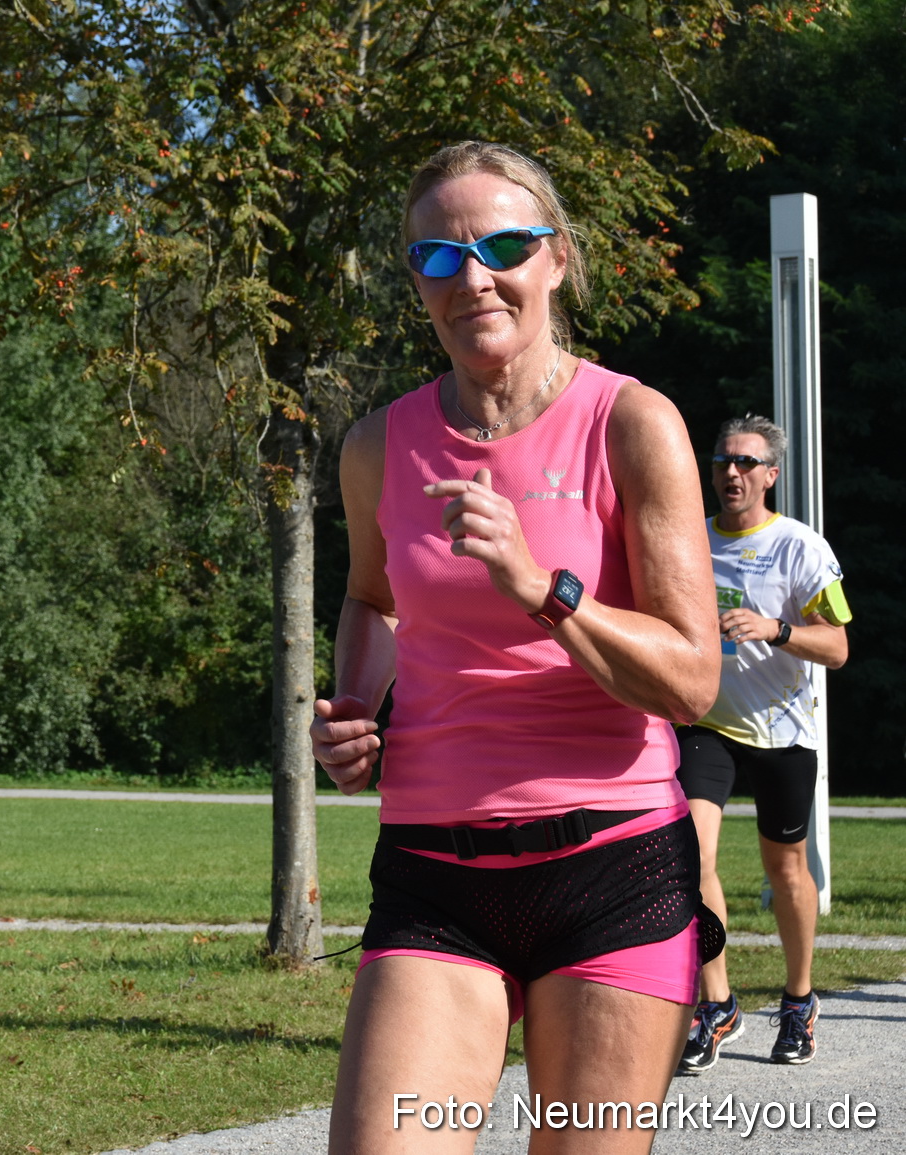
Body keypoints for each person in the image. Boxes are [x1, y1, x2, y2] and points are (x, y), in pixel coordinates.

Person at [310, 141, 723, 1154]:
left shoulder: (631, 423)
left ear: (557, 259)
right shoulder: (377, 446)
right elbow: (372, 600)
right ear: (416, 284)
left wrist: (543, 590)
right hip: (432, 872)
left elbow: (690, 679)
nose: (474, 278)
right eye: (439, 259)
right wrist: (355, 713)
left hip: (611, 870)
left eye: (501, 245)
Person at [674, 414, 851, 1074]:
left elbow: (836, 647)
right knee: (691, 856)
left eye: (747, 462)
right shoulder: (690, 540)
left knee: (786, 870)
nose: (732, 472)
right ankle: (717, 1003)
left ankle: (800, 997)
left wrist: (775, 629)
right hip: (706, 720)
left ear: (771, 475)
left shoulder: (800, 547)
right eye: (723, 460)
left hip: (781, 727)